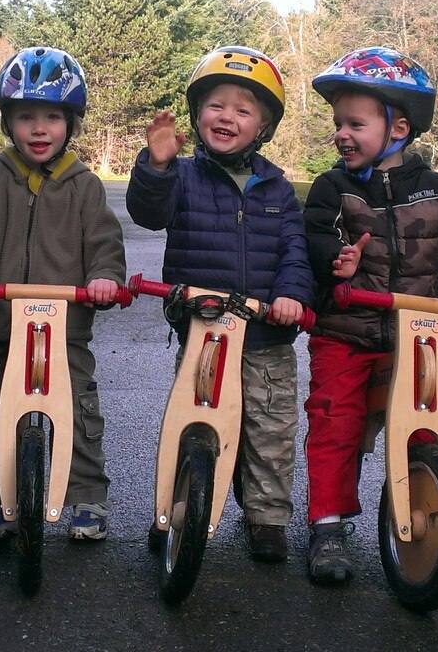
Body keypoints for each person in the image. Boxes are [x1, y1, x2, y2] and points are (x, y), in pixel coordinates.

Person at [300, 46, 438, 585]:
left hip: (415, 335)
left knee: (427, 425)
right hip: (344, 331)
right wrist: (334, 264)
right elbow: (314, 236)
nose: (341, 133)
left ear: (398, 128)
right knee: (333, 421)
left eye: (355, 123)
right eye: (338, 123)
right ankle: (327, 524)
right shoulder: (333, 189)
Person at [126, 45, 313, 564]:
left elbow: (295, 251)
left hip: (266, 335)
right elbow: (147, 212)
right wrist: (157, 165)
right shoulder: (183, 176)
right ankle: (172, 509)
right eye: (216, 105)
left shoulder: (276, 186)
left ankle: (267, 518)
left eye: (243, 109)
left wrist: (292, 297)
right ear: (197, 114)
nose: (226, 116)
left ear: (264, 126)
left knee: (269, 430)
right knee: (192, 423)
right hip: (204, 327)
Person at [0, 47, 127, 544]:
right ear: (9, 123)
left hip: (63, 325)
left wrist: (105, 277)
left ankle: (86, 496)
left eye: (52, 116)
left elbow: (105, 241)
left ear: (71, 123)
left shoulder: (84, 186)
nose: (40, 128)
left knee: (80, 414)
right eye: (26, 117)